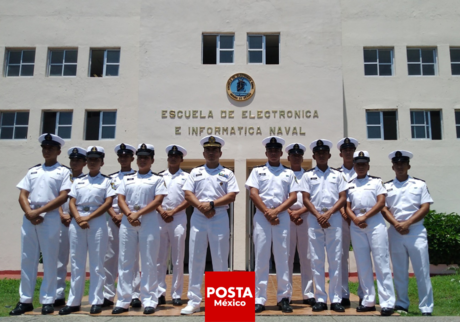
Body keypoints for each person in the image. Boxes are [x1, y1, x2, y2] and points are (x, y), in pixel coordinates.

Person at [11, 133, 71, 316]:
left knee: (50, 259)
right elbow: (23, 194)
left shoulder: (63, 172)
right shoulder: (33, 171)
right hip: (30, 217)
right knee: (28, 258)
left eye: (51, 148)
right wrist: (29, 212)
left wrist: (39, 211)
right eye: (44, 148)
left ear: (58, 151)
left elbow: (63, 196)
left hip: (50, 217)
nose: (47, 151)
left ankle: (47, 300)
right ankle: (25, 300)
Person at [180, 135, 239, 315]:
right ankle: (194, 300)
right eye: (208, 150)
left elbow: (232, 195)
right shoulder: (195, 172)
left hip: (219, 215)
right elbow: (188, 193)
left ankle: (220, 301)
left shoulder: (227, 173)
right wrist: (202, 206)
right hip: (198, 216)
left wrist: (212, 204)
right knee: (196, 258)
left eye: (215, 150)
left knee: (220, 258)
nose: (211, 153)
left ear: (220, 152)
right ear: (204, 152)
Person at [59, 146, 116, 315]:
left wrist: (88, 218)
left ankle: (97, 300)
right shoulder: (78, 180)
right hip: (78, 221)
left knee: (97, 263)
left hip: (96, 221)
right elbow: (71, 201)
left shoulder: (106, 181)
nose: (92, 162)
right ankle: (74, 301)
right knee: (76, 262)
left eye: (96, 160)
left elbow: (107, 203)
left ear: (102, 162)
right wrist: (78, 218)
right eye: (90, 159)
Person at [112, 143, 167, 315]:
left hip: (148, 220)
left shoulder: (157, 179)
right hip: (128, 221)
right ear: (136, 159)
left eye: (146, 158)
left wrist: (139, 214)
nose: (143, 160)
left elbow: (158, 200)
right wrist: (129, 214)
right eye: (140, 157)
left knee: (149, 261)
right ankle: (123, 300)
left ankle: (150, 300)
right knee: (126, 261)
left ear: (152, 160)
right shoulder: (127, 178)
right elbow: (120, 198)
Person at [246, 137, 299, 313]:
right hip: (262, 216)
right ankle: (259, 298)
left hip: (282, 217)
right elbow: (253, 194)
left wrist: (276, 211)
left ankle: (284, 298)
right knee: (261, 257)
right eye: (271, 150)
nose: (274, 153)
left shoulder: (288, 173)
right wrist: (268, 212)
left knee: (282, 257)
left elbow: (293, 197)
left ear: (281, 153)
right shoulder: (257, 171)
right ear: (266, 153)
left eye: (277, 150)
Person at [381, 150, 434, 316]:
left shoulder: (419, 185)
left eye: (402, 163)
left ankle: (426, 307)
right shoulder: (387, 186)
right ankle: (402, 303)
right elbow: (384, 207)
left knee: (422, 270)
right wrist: (397, 224)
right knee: (399, 270)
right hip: (396, 231)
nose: (399, 166)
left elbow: (425, 206)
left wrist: (408, 223)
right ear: (393, 167)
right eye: (397, 164)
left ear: (408, 165)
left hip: (416, 231)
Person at [299, 139, 348, 312]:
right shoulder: (307, 175)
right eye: (318, 153)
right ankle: (320, 298)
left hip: (333, 218)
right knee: (316, 260)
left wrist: (329, 213)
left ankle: (335, 299)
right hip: (314, 218)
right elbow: (305, 198)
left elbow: (343, 197)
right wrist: (319, 215)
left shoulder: (338, 175)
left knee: (335, 259)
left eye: (324, 153)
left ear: (329, 155)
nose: (321, 155)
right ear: (314, 156)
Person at [345, 151, 395, 316]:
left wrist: (365, 216)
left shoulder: (376, 182)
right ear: (354, 165)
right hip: (356, 224)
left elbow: (381, 202)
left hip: (374, 223)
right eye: (357, 164)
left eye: (363, 164)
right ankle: (368, 300)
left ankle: (387, 302)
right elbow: (347, 206)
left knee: (381, 262)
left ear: (368, 165)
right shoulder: (349, 183)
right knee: (362, 263)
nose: (360, 167)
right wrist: (355, 219)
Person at [104, 143, 141, 308]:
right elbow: (107, 200)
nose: (124, 158)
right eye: (121, 156)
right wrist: (114, 215)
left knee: (132, 258)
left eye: (127, 156)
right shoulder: (111, 178)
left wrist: (125, 216)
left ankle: (134, 294)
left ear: (133, 158)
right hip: (113, 220)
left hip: (131, 219)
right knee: (110, 258)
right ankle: (108, 294)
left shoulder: (138, 176)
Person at [156, 145, 190, 306]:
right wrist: (162, 211)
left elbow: (189, 198)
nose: (173, 158)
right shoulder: (159, 177)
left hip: (178, 218)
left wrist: (173, 211)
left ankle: (176, 294)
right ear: (168, 158)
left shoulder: (187, 177)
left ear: (181, 159)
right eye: (171, 156)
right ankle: (158, 293)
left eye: (177, 156)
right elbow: (153, 198)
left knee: (177, 259)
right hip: (160, 217)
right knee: (159, 258)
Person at [55, 147, 87, 307]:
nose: (74, 163)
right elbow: (55, 198)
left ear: (84, 163)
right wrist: (61, 213)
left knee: (76, 260)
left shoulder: (86, 179)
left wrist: (73, 216)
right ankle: (58, 294)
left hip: (77, 221)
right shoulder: (63, 178)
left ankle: (74, 297)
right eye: (72, 160)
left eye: (78, 160)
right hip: (60, 220)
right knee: (59, 259)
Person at [285, 143, 315, 307]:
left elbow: (313, 198)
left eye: (299, 155)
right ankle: (286, 294)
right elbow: (279, 197)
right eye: (293, 155)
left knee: (307, 257)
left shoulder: (309, 176)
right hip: (286, 218)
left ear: (302, 158)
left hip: (305, 218)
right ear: (288, 158)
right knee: (287, 257)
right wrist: (290, 213)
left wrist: (299, 212)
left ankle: (308, 293)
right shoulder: (283, 174)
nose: (296, 158)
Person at [335, 137, 363, 306]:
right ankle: (344, 294)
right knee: (342, 256)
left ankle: (363, 294)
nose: (348, 153)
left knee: (361, 257)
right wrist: (342, 211)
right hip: (342, 220)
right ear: (340, 153)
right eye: (345, 150)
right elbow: (335, 196)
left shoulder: (361, 170)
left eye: (350, 150)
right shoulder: (336, 174)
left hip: (359, 221)